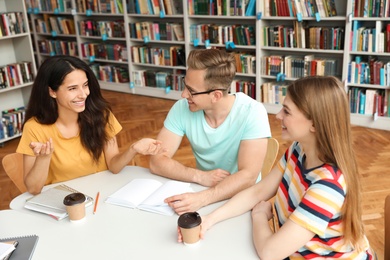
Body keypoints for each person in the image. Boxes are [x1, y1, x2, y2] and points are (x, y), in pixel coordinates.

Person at [195, 76, 375, 259]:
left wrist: (259, 215)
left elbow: (270, 253)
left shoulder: (328, 186)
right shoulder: (299, 149)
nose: (278, 115)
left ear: (314, 124)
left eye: (287, 112)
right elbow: (258, 192)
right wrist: (209, 219)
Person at [17, 55, 165, 195]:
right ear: (52, 92)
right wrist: (44, 158)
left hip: (102, 194)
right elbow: (33, 189)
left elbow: (113, 166)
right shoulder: (34, 128)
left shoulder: (101, 115)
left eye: (85, 85)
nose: (83, 94)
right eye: (72, 88)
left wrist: (133, 149)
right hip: (66, 203)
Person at [149, 49, 272, 215]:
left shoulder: (253, 112)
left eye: (191, 91)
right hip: (202, 189)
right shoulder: (182, 108)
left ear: (216, 95)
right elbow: (156, 161)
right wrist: (200, 177)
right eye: (185, 85)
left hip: (241, 197)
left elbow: (248, 176)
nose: (184, 94)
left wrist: (202, 198)